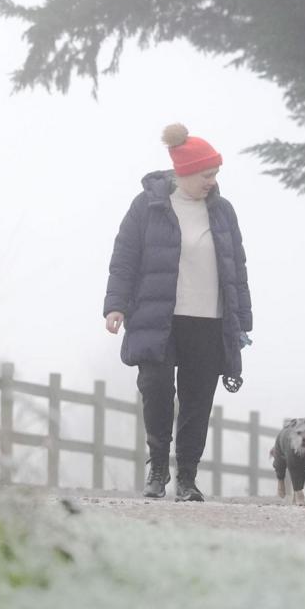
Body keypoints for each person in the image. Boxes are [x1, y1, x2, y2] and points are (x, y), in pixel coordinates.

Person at [103, 123, 252, 502]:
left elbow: (237, 267)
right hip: (158, 316)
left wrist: (242, 321)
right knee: (155, 389)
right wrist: (116, 305)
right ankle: (157, 469)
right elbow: (124, 258)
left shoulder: (223, 212)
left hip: (209, 319)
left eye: (215, 174)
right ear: (184, 173)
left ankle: (187, 477)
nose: (212, 182)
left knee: (197, 397)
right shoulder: (147, 207)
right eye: (207, 174)